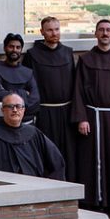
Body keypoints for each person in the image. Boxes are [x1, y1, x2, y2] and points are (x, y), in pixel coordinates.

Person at [71, 19, 110, 215]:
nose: (105, 33)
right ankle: (94, 202)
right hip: (93, 117)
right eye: (101, 30)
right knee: (92, 159)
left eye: (108, 30)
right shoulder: (85, 60)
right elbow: (78, 90)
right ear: (95, 33)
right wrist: (82, 118)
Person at [22, 16, 77, 180]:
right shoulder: (32, 55)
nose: (54, 33)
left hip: (67, 113)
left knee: (69, 154)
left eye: (57, 29)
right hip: (44, 113)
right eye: (50, 30)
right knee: (47, 153)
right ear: (42, 32)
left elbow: (75, 83)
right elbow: (27, 86)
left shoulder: (68, 52)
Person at [0, 93, 65, 180]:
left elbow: (57, 161)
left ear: (23, 110)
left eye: (18, 106)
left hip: (34, 184)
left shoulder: (34, 133)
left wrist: (48, 183)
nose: (15, 110)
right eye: (10, 106)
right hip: (7, 186)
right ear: (3, 110)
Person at [0, 33, 40, 124]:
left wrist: (9, 92)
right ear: (5, 48)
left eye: (18, 47)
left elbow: (35, 100)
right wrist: (24, 93)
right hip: (5, 122)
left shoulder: (28, 72)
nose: (14, 50)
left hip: (28, 123)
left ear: (21, 50)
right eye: (11, 47)